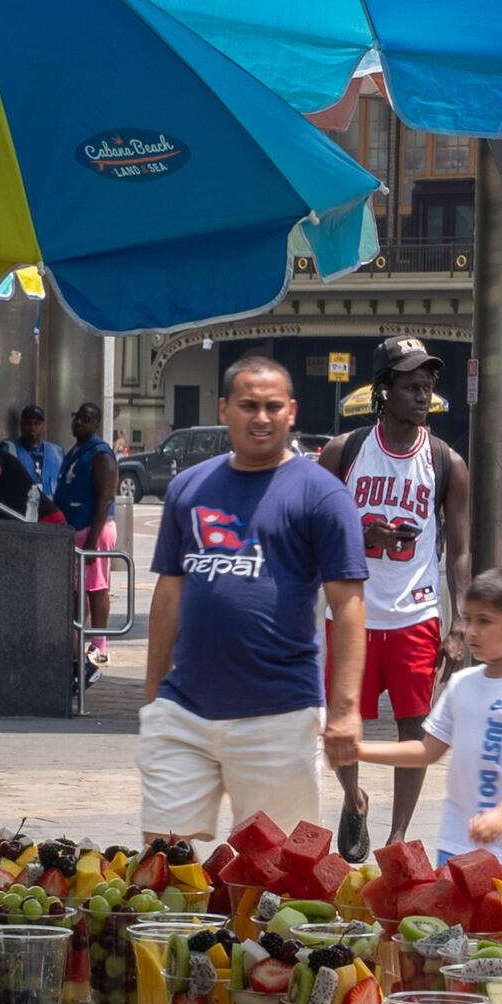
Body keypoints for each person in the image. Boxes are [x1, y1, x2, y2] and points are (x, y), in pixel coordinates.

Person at [138, 352, 363, 845]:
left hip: (279, 716)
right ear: (223, 410)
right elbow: (170, 593)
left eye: (272, 406)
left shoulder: (322, 495)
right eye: (247, 405)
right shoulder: (188, 488)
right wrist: (154, 695)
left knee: (278, 874)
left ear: (292, 412)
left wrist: (346, 709)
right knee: (160, 865)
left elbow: (348, 605)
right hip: (183, 713)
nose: (260, 417)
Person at [317, 334, 471, 853]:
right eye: (411, 385)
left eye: (428, 385)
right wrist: (364, 537)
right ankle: (353, 798)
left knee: (414, 730)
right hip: (352, 613)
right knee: (344, 723)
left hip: (415, 613)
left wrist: (459, 626)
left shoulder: (447, 462)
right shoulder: (345, 452)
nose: (423, 394)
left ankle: (398, 837)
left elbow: (460, 552)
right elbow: (313, 531)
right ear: (383, 391)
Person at [355, 567, 502, 873]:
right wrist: (360, 750)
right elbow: (427, 751)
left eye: (485, 622)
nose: (472, 631)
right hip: (454, 846)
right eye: (468, 619)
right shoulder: (461, 685)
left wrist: (500, 814)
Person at [60, 404, 124, 636]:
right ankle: (76, 641)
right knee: (78, 590)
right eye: (77, 417)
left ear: (96, 424)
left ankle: (99, 645)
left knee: (96, 588)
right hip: (76, 529)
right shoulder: (77, 450)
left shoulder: (101, 453)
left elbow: (106, 497)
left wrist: (92, 542)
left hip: (93, 530)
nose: (79, 422)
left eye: (86, 418)